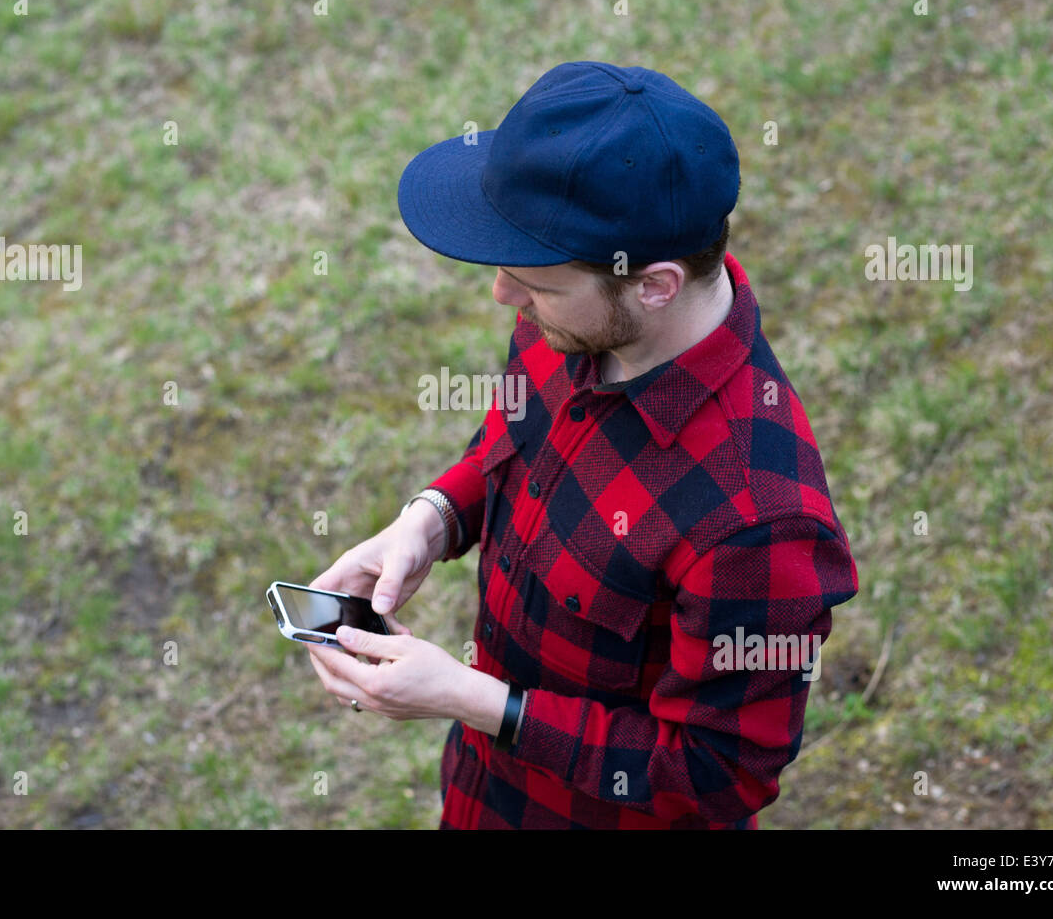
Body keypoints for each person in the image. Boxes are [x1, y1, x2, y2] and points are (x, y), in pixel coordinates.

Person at [306, 60, 859, 829]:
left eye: (534, 280)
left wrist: (475, 701)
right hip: (486, 795)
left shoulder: (757, 521)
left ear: (655, 285)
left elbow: (716, 775)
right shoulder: (571, 318)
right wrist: (429, 520)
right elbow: (511, 442)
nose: (504, 296)